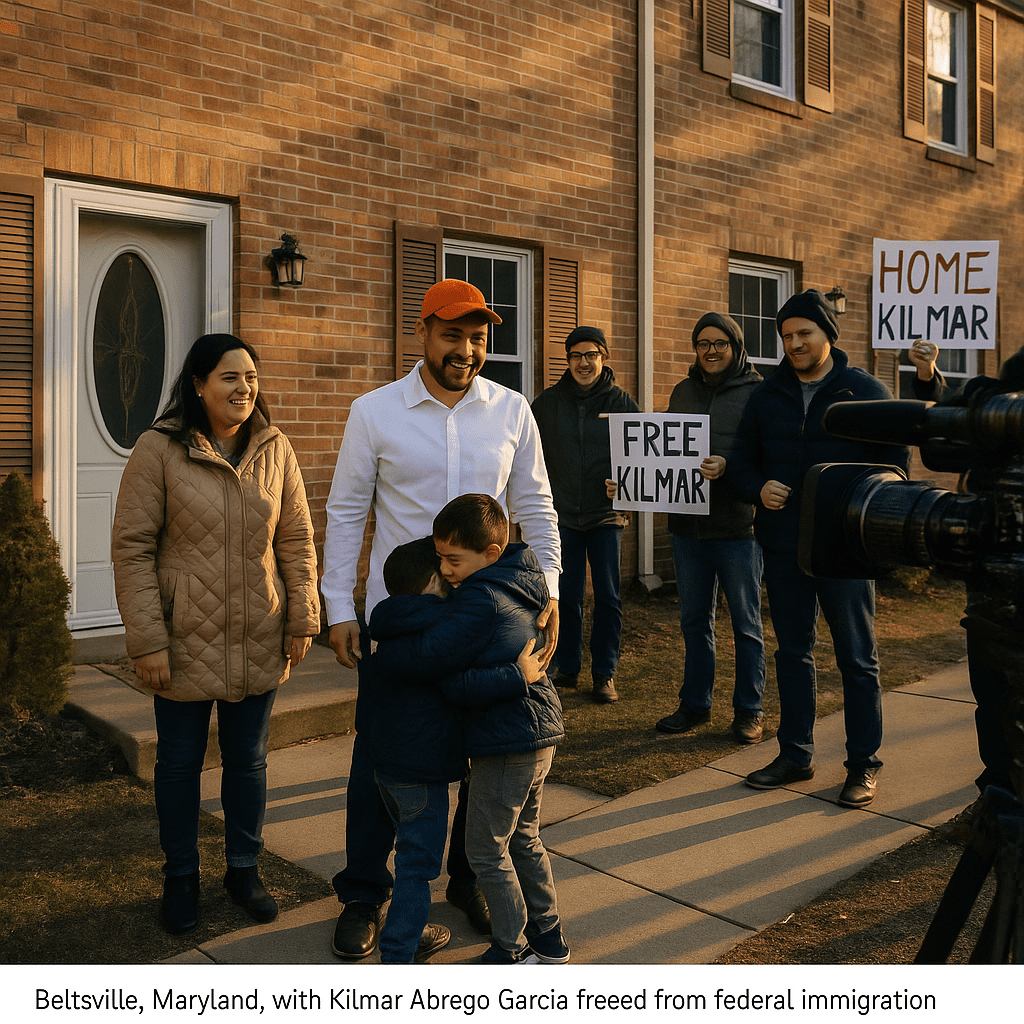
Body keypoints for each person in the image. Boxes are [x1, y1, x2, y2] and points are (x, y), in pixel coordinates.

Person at [322, 279, 561, 960]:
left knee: (482, 756)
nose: (467, 349)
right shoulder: (374, 412)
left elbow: (537, 508)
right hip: (405, 622)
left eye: (479, 336)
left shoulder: (512, 411)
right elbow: (346, 512)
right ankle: (365, 893)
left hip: (486, 622)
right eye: (453, 334)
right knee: (382, 759)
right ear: (423, 332)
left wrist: (548, 589)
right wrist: (341, 607)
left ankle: (469, 879)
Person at [112, 333, 320, 935]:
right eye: (230, 377)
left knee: (248, 761)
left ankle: (243, 869)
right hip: (181, 638)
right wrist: (147, 639)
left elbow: (296, 539)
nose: (244, 388)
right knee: (178, 765)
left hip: (258, 630)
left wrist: (302, 615)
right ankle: (181, 877)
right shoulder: (158, 449)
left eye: (251, 377)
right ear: (199, 384)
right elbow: (131, 548)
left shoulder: (275, 448)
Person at [728, 290, 909, 807]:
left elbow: (896, 472)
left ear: (828, 333)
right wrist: (758, 487)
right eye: (786, 336)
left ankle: (863, 765)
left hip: (846, 551)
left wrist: (861, 513)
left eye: (804, 333)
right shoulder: (767, 395)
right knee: (793, 653)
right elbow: (741, 462)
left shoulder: (866, 391)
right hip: (785, 548)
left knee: (857, 658)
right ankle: (795, 754)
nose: (794, 343)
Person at [371, 494, 569, 964]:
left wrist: (388, 651)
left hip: (508, 737)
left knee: (485, 850)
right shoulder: (524, 580)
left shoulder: (480, 600)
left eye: (453, 559)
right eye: (439, 559)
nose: (445, 569)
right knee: (524, 837)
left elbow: (434, 662)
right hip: (535, 731)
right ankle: (548, 936)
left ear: (491, 553)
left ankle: (511, 947)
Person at [908, 340, 1019, 800]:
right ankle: (995, 794)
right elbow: (937, 430)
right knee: (991, 695)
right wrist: (930, 377)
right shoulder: (993, 406)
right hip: (992, 586)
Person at [653, 313, 767, 743]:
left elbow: (769, 455)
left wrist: (730, 466)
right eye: (703, 343)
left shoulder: (758, 393)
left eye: (720, 343)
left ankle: (749, 710)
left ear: (736, 347)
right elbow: (662, 449)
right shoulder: (683, 390)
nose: (711, 350)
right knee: (694, 622)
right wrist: (628, 482)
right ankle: (695, 705)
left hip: (739, 529)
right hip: (687, 530)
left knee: (746, 624)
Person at [531, 326, 639, 704]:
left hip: (606, 516)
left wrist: (624, 485)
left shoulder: (623, 404)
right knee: (567, 595)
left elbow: (641, 461)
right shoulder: (547, 404)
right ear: (568, 360)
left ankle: (604, 673)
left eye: (591, 354)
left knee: (609, 596)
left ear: (603, 357)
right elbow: (528, 455)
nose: (583, 362)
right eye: (575, 355)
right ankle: (567, 666)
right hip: (562, 517)